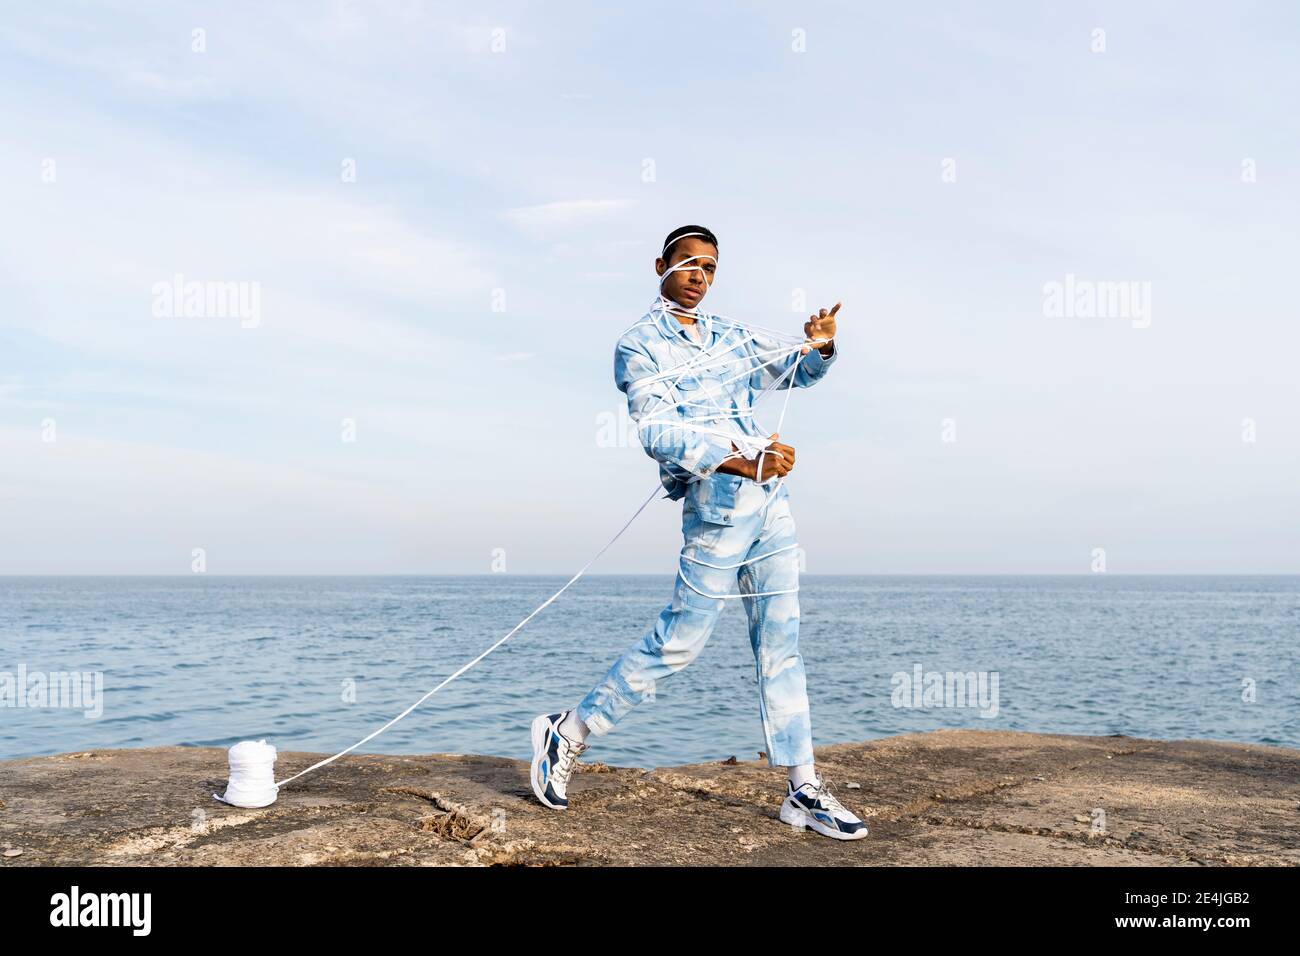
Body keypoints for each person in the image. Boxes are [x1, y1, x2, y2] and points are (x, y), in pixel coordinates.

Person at [529, 225, 867, 840]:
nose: (698, 276)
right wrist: (733, 459)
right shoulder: (638, 344)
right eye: (687, 264)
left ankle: (802, 788)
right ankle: (569, 731)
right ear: (660, 265)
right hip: (715, 503)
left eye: (709, 267)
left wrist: (820, 346)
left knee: (781, 642)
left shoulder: (732, 336)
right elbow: (654, 429)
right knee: (680, 641)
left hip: (771, 501)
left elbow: (795, 374)